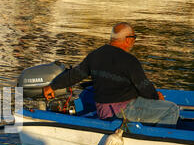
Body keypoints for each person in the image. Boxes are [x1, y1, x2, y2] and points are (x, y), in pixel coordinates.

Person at [43, 22, 180, 127]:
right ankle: (157, 140)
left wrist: (52, 86)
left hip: (103, 111)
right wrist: (157, 97)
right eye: (134, 37)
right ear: (127, 39)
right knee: (172, 109)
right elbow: (144, 88)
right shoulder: (129, 60)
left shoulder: (95, 55)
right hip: (123, 110)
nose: (134, 40)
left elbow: (75, 75)